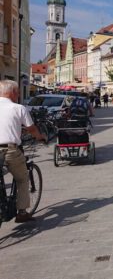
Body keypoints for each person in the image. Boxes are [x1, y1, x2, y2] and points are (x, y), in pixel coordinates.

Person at [0, 80, 46, 223]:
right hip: (10, 150)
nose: (19, 95)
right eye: (18, 92)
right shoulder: (18, 108)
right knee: (22, 178)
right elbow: (31, 129)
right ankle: (21, 212)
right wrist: (40, 137)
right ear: (13, 92)